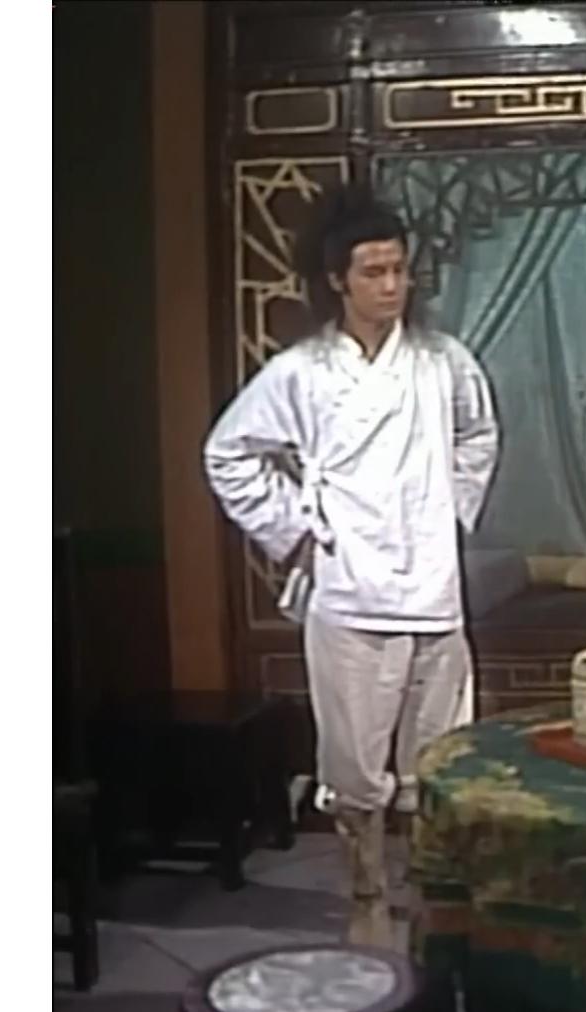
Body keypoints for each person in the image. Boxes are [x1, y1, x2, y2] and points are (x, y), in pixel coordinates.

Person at [203, 188, 499, 947]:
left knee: (439, 759)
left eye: (399, 269)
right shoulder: (301, 372)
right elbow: (229, 454)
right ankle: (366, 894)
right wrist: (298, 530)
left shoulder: (443, 361)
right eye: (373, 272)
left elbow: (478, 437)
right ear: (338, 279)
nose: (391, 285)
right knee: (354, 768)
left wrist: (449, 512)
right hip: (349, 592)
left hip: (433, 588)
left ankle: (430, 893)